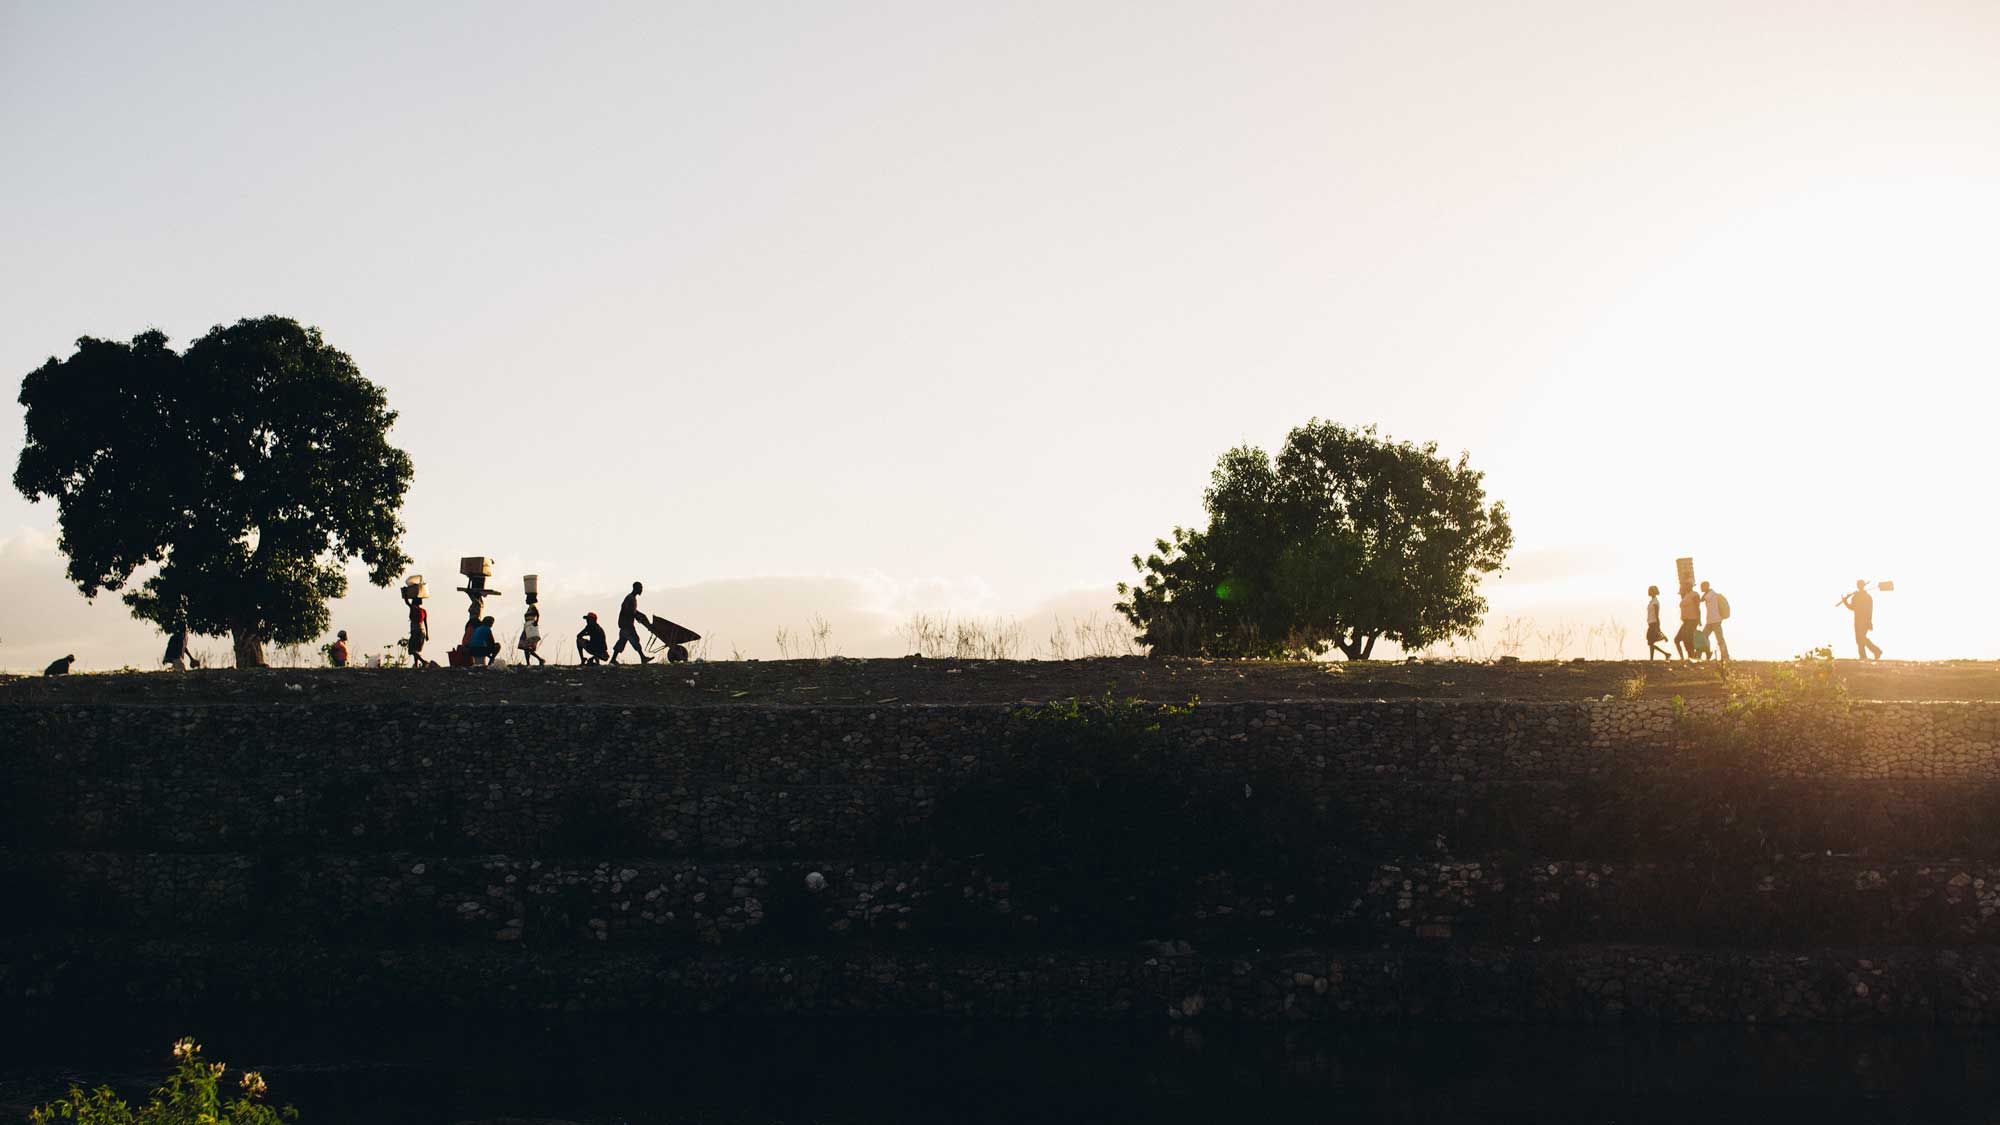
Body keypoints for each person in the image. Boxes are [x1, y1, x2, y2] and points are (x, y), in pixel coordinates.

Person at [611, 581, 653, 664]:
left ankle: (613, 660)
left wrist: (638, 615)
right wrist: (635, 615)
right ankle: (643, 658)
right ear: (635, 588)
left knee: (622, 641)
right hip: (627, 625)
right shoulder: (630, 598)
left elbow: (632, 610)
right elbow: (626, 609)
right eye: (640, 588)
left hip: (625, 624)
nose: (641, 590)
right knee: (635, 639)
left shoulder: (632, 598)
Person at [1841, 580, 1883, 661]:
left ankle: (1875, 651)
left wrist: (1845, 602)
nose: (1859, 586)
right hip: (1859, 620)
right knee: (1859, 639)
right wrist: (1845, 602)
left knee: (1861, 638)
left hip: (1862, 621)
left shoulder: (1862, 597)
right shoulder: (1861, 596)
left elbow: (1855, 608)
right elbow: (1853, 607)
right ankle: (1864, 656)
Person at [1699, 580, 1730, 662]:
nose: (1701, 588)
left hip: (1715, 620)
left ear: (1707, 586)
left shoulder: (1710, 594)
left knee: (1719, 639)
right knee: (1704, 637)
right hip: (1710, 621)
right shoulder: (1710, 594)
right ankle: (1708, 653)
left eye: (1702, 587)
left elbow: (1701, 599)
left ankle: (1725, 656)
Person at [404, 590, 434, 668]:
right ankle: (416, 665)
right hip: (422, 631)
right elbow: (425, 623)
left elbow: (407, 602)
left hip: (416, 631)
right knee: (417, 649)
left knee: (411, 649)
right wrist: (427, 634)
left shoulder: (413, 608)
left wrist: (405, 593)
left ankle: (424, 662)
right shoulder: (423, 611)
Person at [1643, 586, 1672, 660]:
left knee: (1650, 642)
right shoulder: (1652, 601)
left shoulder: (1655, 602)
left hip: (1653, 623)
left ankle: (1665, 654)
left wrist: (1658, 626)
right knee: (1650, 642)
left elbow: (1656, 614)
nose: (1648, 592)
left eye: (1650, 591)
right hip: (1650, 623)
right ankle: (1657, 656)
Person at [1674, 585, 1701, 661]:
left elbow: (1697, 607)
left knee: (1688, 638)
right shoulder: (1686, 596)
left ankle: (1692, 656)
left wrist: (1699, 619)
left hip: (1692, 620)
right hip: (1686, 621)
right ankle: (1685, 657)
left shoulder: (1694, 594)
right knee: (1678, 639)